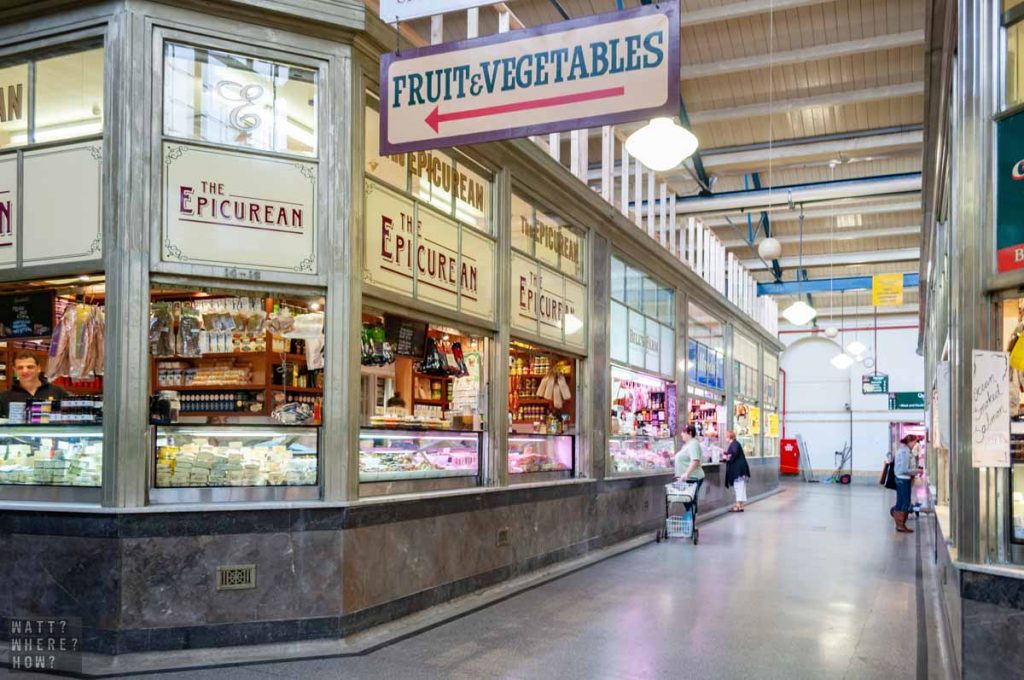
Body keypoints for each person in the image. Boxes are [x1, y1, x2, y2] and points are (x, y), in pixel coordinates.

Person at [0, 351, 68, 419]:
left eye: (30, 367)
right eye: (20, 368)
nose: (25, 371)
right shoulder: (4, 397)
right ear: (15, 370)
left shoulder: (58, 392)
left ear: (38, 368)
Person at [890, 434, 918, 533]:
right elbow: (904, 469)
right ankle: (901, 525)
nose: (915, 444)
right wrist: (915, 471)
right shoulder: (905, 452)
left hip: (899, 478)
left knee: (900, 501)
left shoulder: (901, 450)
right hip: (904, 479)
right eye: (914, 442)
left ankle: (899, 524)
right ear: (910, 442)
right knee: (905, 502)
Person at [675, 425, 706, 514]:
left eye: (683, 432)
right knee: (688, 500)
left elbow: (695, 460)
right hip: (686, 479)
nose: (681, 434)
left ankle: (691, 524)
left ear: (690, 433)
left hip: (693, 477)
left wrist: (687, 474)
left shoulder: (693, 444)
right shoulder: (687, 445)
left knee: (689, 501)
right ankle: (691, 523)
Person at [722, 431, 752, 512]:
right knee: (741, 487)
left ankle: (738, 505)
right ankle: (740, 505)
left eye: (726, 436)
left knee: (738, 487)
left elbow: (733, 454)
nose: (725, 438)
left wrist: (726, 457)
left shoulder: (734, 444)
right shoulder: (736, 443)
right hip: (741, 469)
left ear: (729, 437)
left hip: (738, 470)